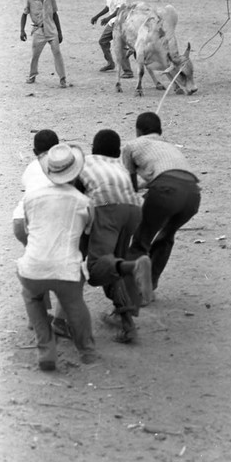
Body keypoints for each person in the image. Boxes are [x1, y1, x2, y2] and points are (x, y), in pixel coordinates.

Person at [16, 143, 95, 371]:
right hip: (66, 270)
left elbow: (29, 229)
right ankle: (86, 350)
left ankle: (46, 348)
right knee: (75, 304)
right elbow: (88, 231)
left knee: (31, 296)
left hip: (33, 268)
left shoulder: (31, 198)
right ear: (76, 171)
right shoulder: (84, 202)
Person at [78, 129, 152, 343]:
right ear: (117, 151)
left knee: (97, 267)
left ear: (93, 147)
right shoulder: (120, 166)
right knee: (113, 267)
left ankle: (135, 266)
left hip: (107, 208)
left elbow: (75, 196)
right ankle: (128, 325)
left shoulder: (84, 162)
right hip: (133, 211)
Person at [122, 112, 201, 302]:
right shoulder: (169, 147)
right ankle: (151, 283)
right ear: (160, 131)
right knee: (166, 237)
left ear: (138, 131)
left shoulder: (132, 146)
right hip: (192, 193)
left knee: (140, 241)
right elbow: (166, 174)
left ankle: (132, 296)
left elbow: (131, 185)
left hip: (165, 190)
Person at [13, 130, 72, 339]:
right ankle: (61, 320)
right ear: (58, 149)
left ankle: (36, 316)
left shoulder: (30, 167)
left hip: (21, 221)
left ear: (33, 151)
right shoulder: (67, 166)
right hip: (50, 221)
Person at [20, 0, 67, 88]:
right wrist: (22, 31)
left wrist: (59, 32)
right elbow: (24, 15)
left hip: (51, 30)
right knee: (35, 55)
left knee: (57, 53)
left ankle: (62, 78)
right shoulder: (30, 0)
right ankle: (32, 75)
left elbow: (55, 15)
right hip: (38, 31)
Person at [91, 0, 133, 78]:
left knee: (119, 45)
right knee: (103, 41)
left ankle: (128, 71)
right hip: (112, 22)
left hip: (120, 22)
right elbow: (108, 7)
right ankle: (110, 63)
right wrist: (97, 16)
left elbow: (119, 10)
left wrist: (107, 18)